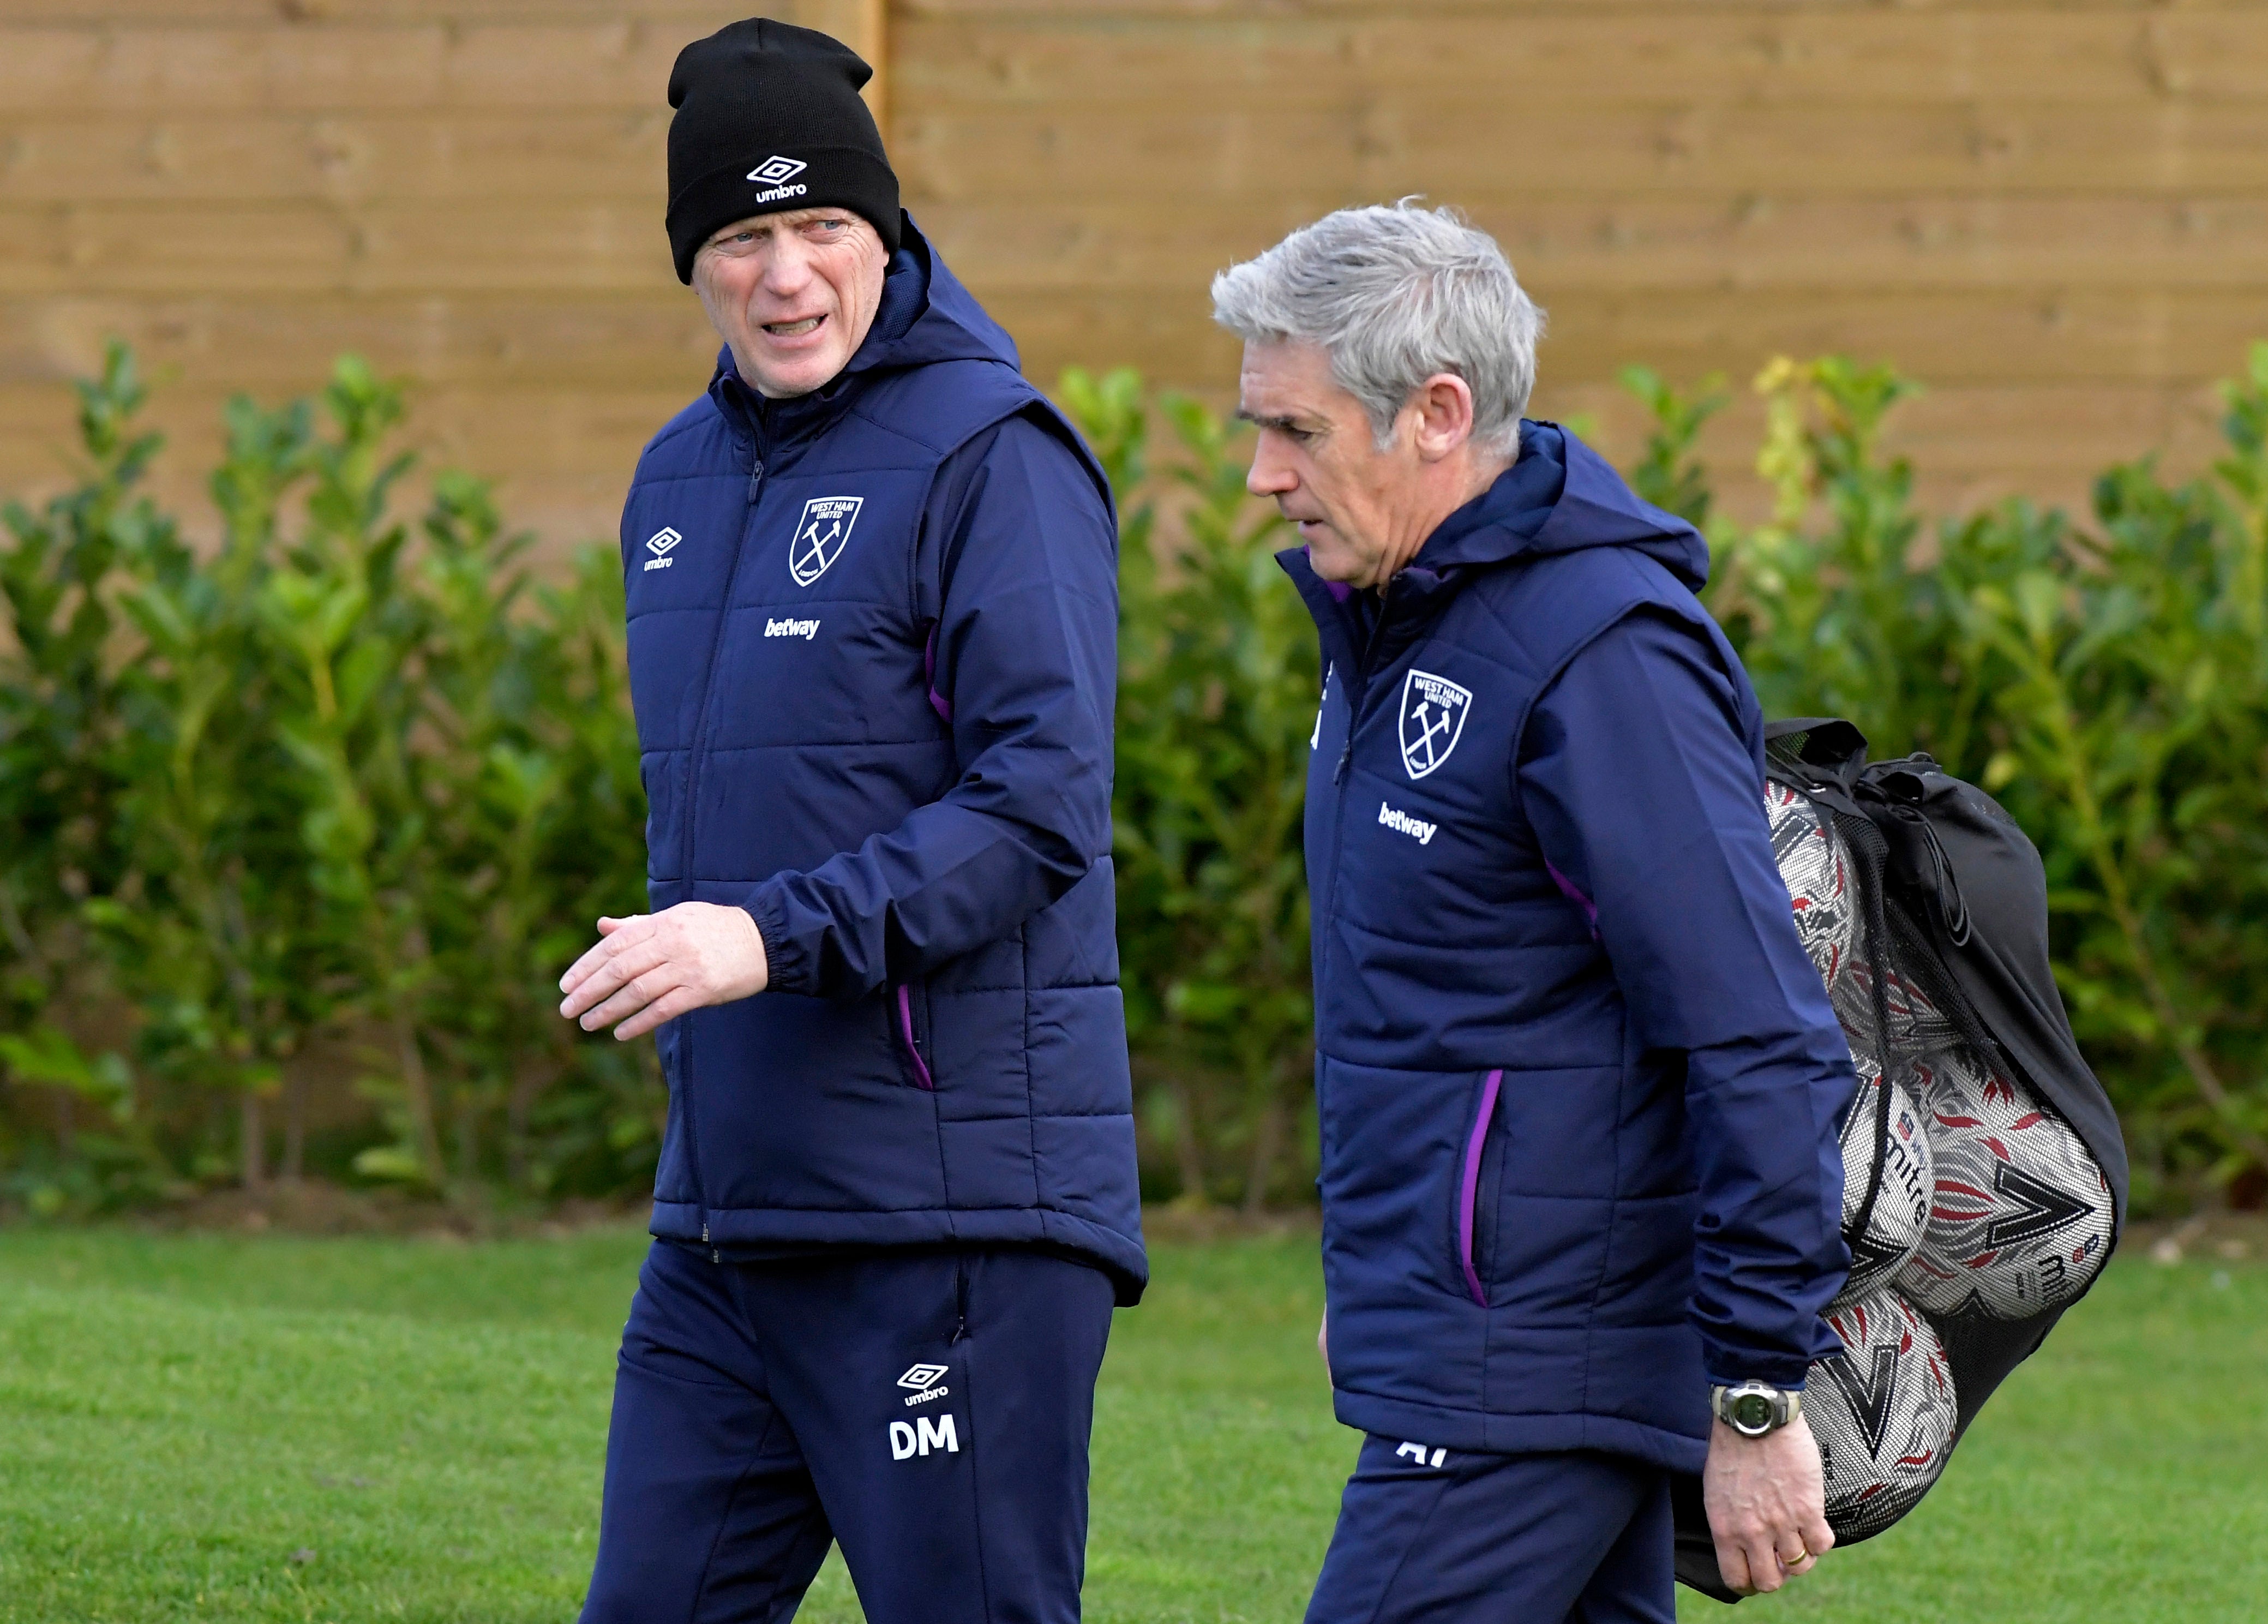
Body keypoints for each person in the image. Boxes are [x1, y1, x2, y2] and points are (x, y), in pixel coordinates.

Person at [554, 19, 1143, 1623]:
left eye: (824, 225)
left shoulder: (992, 457)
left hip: (951, 1218)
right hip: (731, 1221)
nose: (789, 274)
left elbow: (1037, 812)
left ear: (885, 231)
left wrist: (759, 934)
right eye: (743, 236)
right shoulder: (673, 484)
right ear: (694, 261)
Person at [1213, 203, 1856, 1621]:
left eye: (1297, 431)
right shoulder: (1393, 622)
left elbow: (1761, 1034)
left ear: (1437, 413)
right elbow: (1450, 1009)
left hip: (1536, 1365)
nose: (1261, 475)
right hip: (1476, 1341)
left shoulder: (1601, 656)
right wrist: (1387, 1280)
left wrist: (1754, 1391)